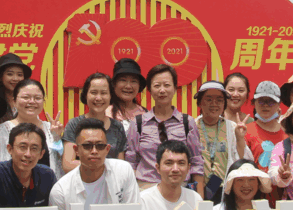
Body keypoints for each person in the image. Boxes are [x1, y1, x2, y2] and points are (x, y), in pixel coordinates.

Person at [49, 117, 141, 210]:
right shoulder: (61, 190)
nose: (94, 151)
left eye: (100, 146)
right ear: (76, 150)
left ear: (107, 149)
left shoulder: (123, 171)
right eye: (87, 146)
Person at [125, 64, 204, 193]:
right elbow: (131, 162)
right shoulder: (138, 123)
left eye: (167, 85)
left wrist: (199, 198)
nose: (162, 90)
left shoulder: (187, 122)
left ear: (175, 88)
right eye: (157, 86)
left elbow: (196, 162)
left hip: (180, 188)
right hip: (146, 188)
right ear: (149, 89)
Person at [194, 80, 249, 202]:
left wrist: (240, 138)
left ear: (224, 104)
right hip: (198, 190)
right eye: (208, 99)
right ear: (200, 103)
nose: (214, 104)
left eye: (219, 100)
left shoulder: (232, 128)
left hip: (225, 191)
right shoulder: (192, 127)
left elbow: (242, 160)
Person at [62, 72, 127, 173]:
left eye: (104, 93)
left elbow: (121, 166)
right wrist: (101, 166)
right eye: (94, 92)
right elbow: (68, 165)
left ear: (110, 96)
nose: (98, 98)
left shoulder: (118, 127)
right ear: (86, 95)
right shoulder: (74, 124)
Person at [0, 79, 63, 170]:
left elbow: (60, 163)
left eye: (37, 98)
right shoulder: (2, 130)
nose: (32, 101)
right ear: (14, 101)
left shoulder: (51, 128)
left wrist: (57, 138)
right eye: (26, 97)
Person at [245, 81, 287, 173]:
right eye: (261, 101)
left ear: (279, 104)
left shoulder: (287, 134)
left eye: (271, 101)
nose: (265, 105)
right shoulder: (244, 131)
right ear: (254, 103)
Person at [106, 58, 147, 129]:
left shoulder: (145, 114)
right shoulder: (105, 113)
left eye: (133, 81)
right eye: (123, 80)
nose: (128, 86)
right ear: (114, 84)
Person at [0, 53, 33, 124]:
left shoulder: (28, 102)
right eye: (10, 74)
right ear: (0, 77)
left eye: (19, 75)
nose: (15, 79)